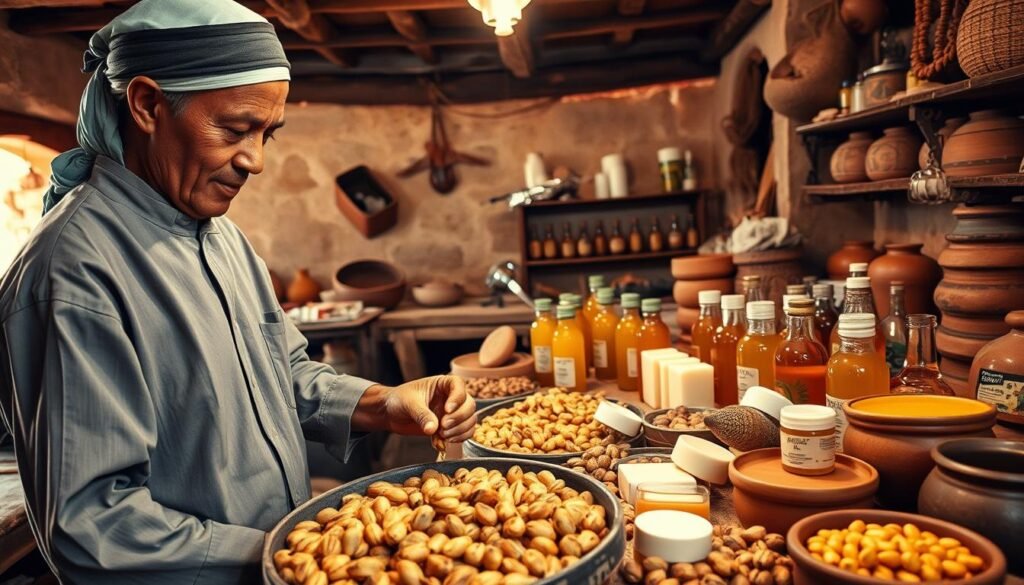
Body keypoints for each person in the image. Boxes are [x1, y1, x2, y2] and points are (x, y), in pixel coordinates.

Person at [0, 1, 476, 583]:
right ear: (148, 104)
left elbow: (284, 371)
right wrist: (304, 558)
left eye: (267, 134)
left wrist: (381, 402)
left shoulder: (221, 238)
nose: (255, 161)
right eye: (234, 129)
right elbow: (94, 529)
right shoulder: (73, 275)